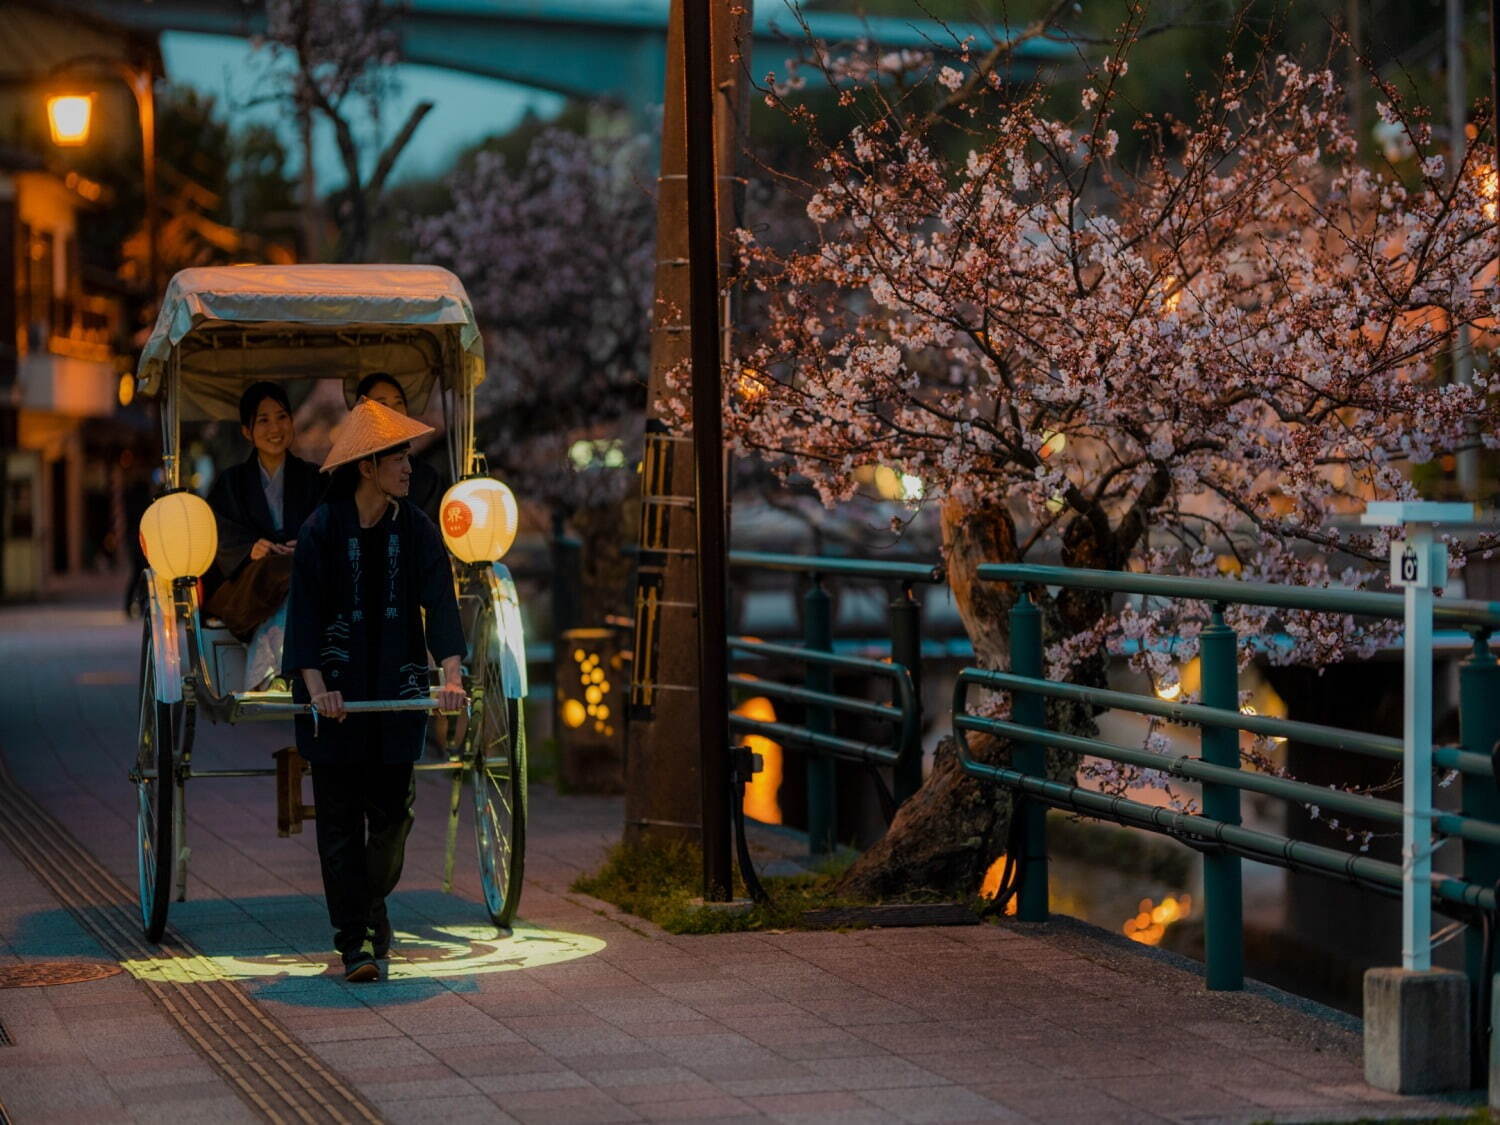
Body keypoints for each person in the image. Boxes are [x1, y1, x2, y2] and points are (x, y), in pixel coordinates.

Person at [281, 398, 467, 983]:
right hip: (333, 700)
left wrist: (452, 675)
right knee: (338, 824)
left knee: (391, 818)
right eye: (399, 458)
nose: (410, 469)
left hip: (396, 689)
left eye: (409, 457)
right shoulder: (321, 530)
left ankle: (369, 906)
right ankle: (354, 943)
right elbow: (304, 614)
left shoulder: (414, 527)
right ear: (367, 466)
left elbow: (439, 601)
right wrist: (315, 688)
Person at [205, 382, 324, 690]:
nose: (276, 428)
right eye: (263, 420)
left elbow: (330, 525)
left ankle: (271, 673)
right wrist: (250, 549)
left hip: (304, 581)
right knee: (284, 573)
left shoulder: (315, 478)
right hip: (249, 586)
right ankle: (278, 669)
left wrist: (307, 543)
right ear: (247, 431)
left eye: (282, 417)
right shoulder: (230, 483)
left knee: (296, 573)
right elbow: (217, 531)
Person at [351, 372, 447, 524]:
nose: (393, 412)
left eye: (399, 403)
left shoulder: (427, 478)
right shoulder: (347, 475)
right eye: (382, 405)